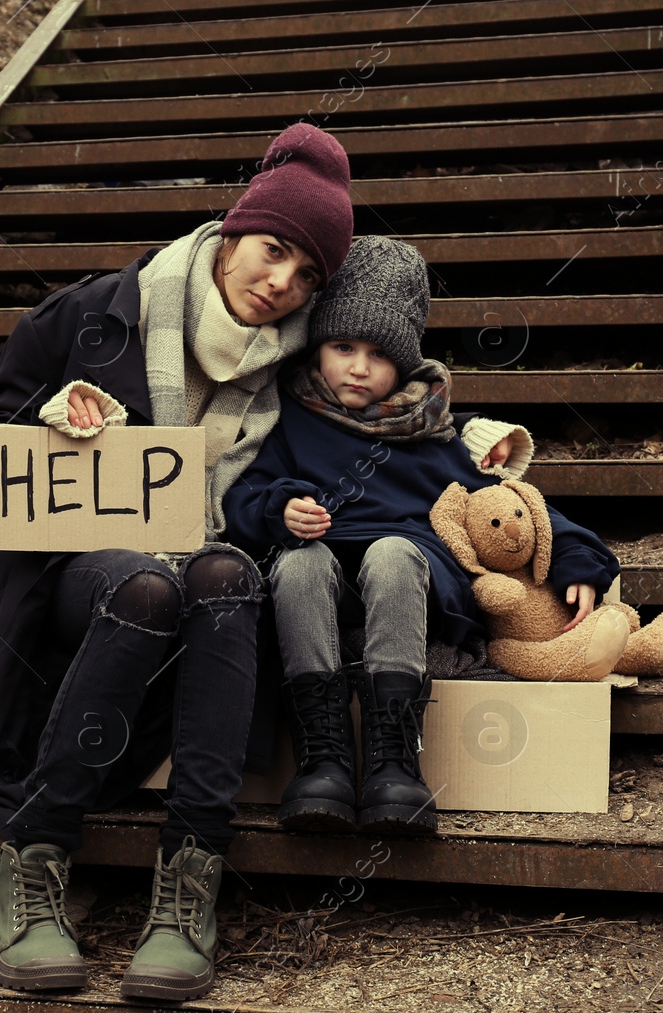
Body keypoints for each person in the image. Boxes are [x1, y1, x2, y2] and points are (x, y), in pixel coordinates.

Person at [0, 124, 355, 1002]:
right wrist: (51, 422)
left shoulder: (299, 378)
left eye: (308, 275)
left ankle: (188, 888)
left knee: (224, 574)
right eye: (273, 249)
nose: (281, 282)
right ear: (232, 232)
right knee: (146, 580)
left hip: (205, 614)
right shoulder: (94, 314)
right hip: (71, 585)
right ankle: (35, 856)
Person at [222, 236, 621, 836]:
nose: (358, 368)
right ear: (317, 347)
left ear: (404, 365)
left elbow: (508, 505)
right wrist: (279, 510)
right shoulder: (287, 419)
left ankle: (393, 758)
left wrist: (574, 556)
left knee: (392, 552)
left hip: (413, 588)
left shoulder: (431, 436)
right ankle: (323, 757)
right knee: (300, 561)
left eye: (379, 356)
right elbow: (239, 496)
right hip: (320, 588)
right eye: (343, 347)